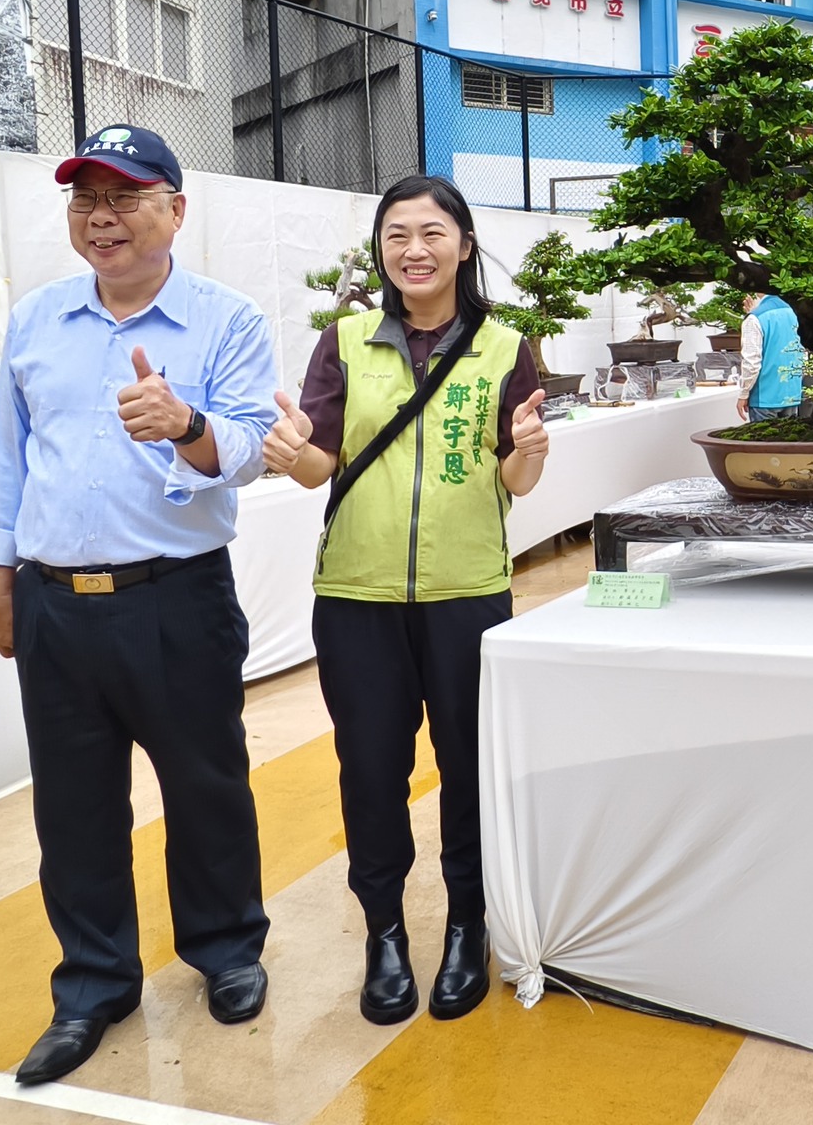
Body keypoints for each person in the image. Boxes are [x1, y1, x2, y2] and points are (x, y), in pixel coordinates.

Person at [0, 125, 278, 1085]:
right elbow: (9, 455)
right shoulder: (37, 321)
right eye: (84, 200)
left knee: (205, 784)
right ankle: (95, 985)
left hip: (175, 597)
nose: (101, 219)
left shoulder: (224, 320)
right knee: (73, 809)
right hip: (55, 603)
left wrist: (184, 425)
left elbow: (252, 446)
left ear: (174, 211)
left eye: (124, 197)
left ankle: (226, 948)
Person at [260, 175, 548, 1024]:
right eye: (396, 235)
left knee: (467, 771)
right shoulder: (344, 341)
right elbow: (321, 465)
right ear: (380, 251)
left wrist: (529, 447)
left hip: (468, 595)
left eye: (431, 232)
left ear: (463, 244)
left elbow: (516, 477)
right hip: (357, 597)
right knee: (371, 773)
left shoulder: (506, 346)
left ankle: (468, 925)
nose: (413, 250)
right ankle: (383, 931)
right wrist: (290, 452)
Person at [735, 289, 804, 421]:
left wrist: (744, 393)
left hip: (765, 396)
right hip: (791, 392)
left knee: (764, 440)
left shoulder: (756, 318)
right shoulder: (794, 312)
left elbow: (752, 362)